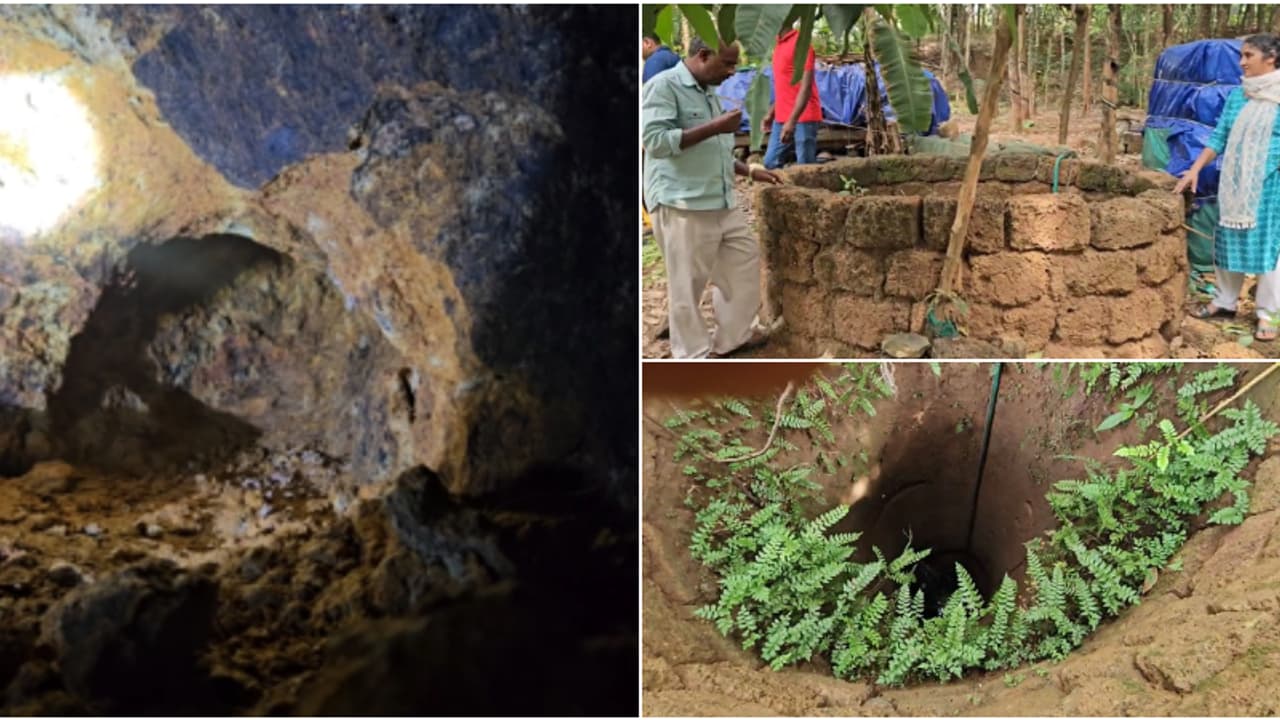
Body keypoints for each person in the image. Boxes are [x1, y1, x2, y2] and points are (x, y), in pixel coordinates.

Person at [642, 36, 783, 359]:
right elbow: (655, 141)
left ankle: (733, 339)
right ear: (703, 56)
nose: (733, 71)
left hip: (719, 199)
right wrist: (717, 126)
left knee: (744, 264)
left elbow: (715, 150)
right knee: (686, 287)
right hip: (682, 203)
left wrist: (747, 171)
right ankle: (693, 355)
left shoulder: (708, 92)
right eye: (728, 63)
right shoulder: (663, 86)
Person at [1176, 33, 1280, 341]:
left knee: (1269, 248)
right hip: (1235, 183)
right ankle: (1224, 302)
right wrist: (1194, 169)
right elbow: (1219, 137)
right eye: (1242, 55)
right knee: (1227, 242)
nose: (1242, 62)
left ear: (1271, 58)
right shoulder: (1239, 95)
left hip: (1271, 183)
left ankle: (1267, 313)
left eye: (1249, 56)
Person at [761, 25, 823, 170]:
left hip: (804, 117)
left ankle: (810, 191)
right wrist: (771, 113)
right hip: (782, 117)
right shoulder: (778, 46)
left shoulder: (802, 44)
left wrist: (792, 121)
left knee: (806, 169)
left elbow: (806, 87)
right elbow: (784, 87)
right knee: (770, 163)